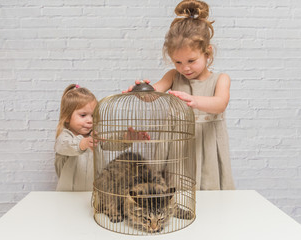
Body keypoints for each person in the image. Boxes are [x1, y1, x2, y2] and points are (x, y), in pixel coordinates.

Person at [124, 0, 235, 190]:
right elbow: (155, 92)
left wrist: (195, 101)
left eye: (191, 60)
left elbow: (220, 104)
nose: (185, 68)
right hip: (177, 146)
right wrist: (142, 91)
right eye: (178, 62)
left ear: (207, 53)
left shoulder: (221, 79)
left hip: (205, 142)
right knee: (176, 185)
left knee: (208, 187)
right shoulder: (174, 76)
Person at [55, 84, 150, 191]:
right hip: (67, 196)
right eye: (83, 115)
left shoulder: (95, 135)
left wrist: (126, 137)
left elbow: (110, 141)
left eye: (93, 115)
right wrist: (83, 143)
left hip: (93, 194)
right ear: (67, 117)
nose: (90, 120)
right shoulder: (64, 137)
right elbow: (65, 146)